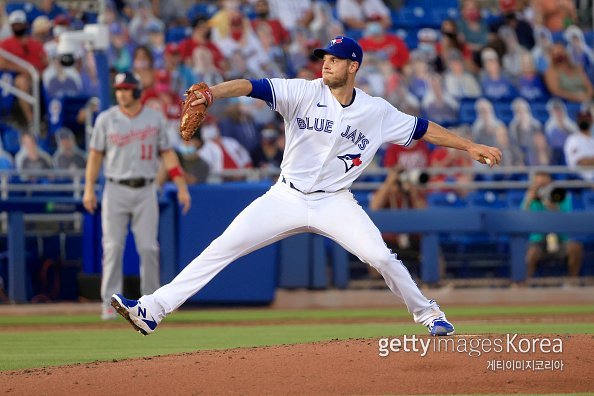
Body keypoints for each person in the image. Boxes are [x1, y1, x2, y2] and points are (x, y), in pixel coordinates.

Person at [111, 36, 502, 337]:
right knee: (221, 248)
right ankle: (152, 310)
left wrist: (470, 146)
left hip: (336, 202)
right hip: (285, 196)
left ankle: (430, 314)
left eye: (333, 60)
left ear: (353, 67)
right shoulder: (302, 91)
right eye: (324, 59)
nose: (325, 65)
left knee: (381, 258)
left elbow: (423, 129)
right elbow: (252, 86)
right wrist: (213, 92)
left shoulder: (376, 111)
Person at [83, 71, 191, 320]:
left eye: (127, 89)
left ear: (137, 92)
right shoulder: (106, 119)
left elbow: (168, 155)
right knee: (112, 247)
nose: (122, 93)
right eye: (119, 89)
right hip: (115, 187)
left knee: (148, 248)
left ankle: (150, 305)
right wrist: (89, 187)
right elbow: (95, 156)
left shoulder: (154, 119)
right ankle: (108, 306)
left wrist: (181, 186)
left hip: (145, 189)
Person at [522, 172, 583, 280]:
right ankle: (525, 283)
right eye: (539, 185)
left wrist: (549, 203)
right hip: (538, 241)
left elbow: (566, 219)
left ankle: (572, 282)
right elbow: (521, 218)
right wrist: (529, 199)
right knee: (531, 253)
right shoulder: (530, 198)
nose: (542, 189)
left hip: (560, 239)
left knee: (576, 249)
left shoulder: (561, 195)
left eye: (544, 185)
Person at [564, 110, 594, 181]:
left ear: (591, 120)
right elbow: (582, 162)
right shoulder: (572, 139)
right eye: (582, 119)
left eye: (586, 118)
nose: (584, 120)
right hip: (579, 180)